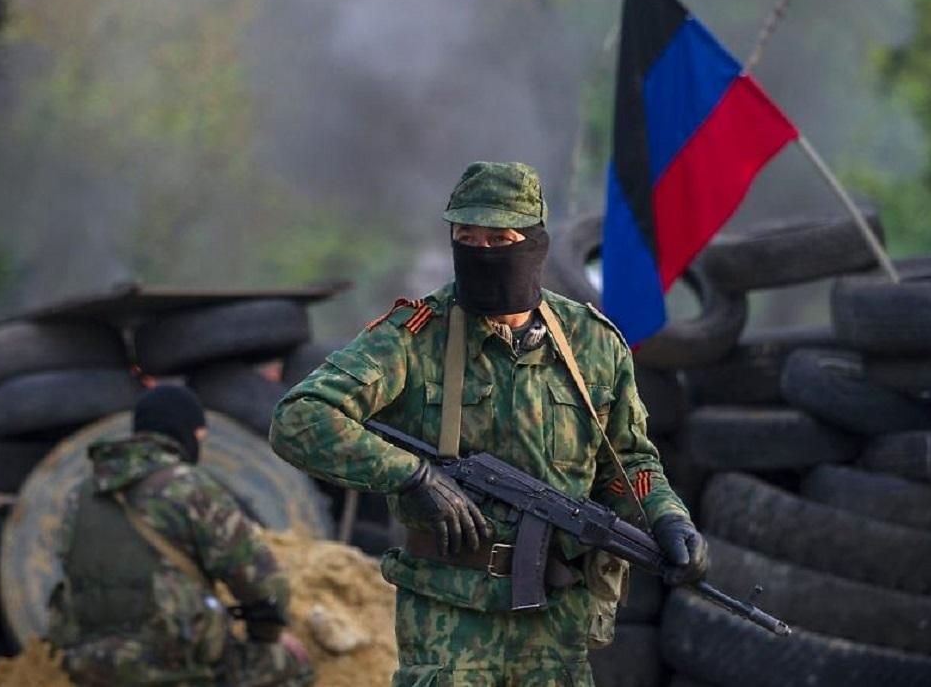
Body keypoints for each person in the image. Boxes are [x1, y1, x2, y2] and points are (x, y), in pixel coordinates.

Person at [270, 161, 707, 687]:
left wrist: (668, 518)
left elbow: (628, 463)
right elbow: (300, 417)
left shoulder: (592, 343)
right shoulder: (413, 338)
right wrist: (410, 475)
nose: (482, 251)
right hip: (448, 617)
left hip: (555, 620)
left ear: (535, 243)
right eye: (467, 237)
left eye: (500, 239)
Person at [46, 384, 314, 686]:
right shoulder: (188, 487)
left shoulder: (80, 496)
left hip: (91, 667)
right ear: (190, 433)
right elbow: (264, 585)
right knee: (293, 664)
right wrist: (266, 637)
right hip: (173, 667)